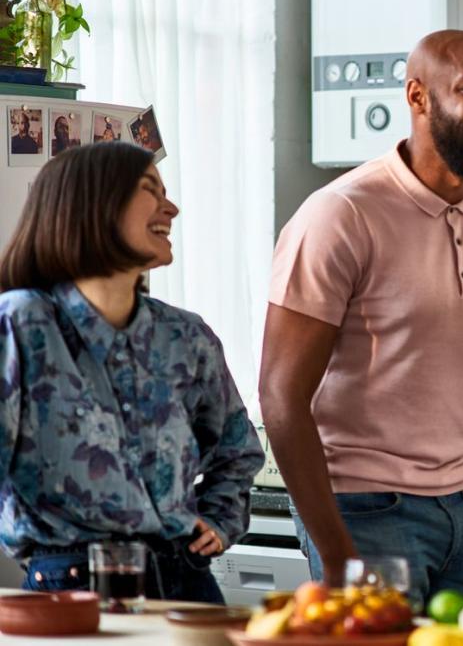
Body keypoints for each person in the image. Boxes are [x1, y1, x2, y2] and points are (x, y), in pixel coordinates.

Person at [260, 30, 463, 612]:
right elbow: (280, 396)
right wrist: (335, 554)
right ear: (418, 97)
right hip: (362, 508)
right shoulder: (342, 214)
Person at [0, 142, 265, 602]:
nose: (172, 207)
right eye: (150, 190)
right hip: (69, 590)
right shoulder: (21, 324)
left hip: (186, 583)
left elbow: (237, 452)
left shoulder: (186, 336)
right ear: (92, 204)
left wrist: (221, 520)